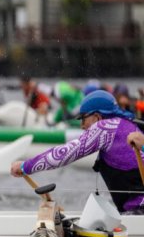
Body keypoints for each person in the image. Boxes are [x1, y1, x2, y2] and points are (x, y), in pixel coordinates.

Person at [10, 90, 144, 214]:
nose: (82, 126)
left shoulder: (104, 127)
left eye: (83, 118)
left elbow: (64, 154)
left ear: (97, 117)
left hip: (138, 213)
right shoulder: (130, 124)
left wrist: (25, 166)